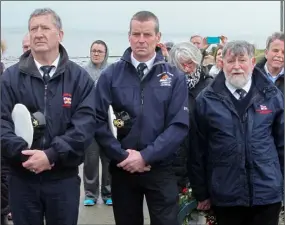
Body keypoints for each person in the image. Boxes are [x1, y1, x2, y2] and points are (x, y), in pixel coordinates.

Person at [1, 8, 96, 225]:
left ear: (60, 35)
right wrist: (25, 155)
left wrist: (52, 154)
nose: (38, 33)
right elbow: (2, 122)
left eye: (45, 27)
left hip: (63, 179)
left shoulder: (79, 79)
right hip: (21, 178)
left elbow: (85, 125)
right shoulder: (10, 78)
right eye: (33, 28)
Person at [95, 10, 189, 225]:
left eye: (147, 34)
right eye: (136, 34)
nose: (141, 40)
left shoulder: (174, 77)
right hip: (122, 168)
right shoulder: (110, 75)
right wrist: (121, 156)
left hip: (161, 168)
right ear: (129, 36)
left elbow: (178, 125)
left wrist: (146, 156)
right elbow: (98, 121)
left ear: (158, 37)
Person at [189, 40, 284, 225]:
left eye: (242, 60)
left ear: (252, 63)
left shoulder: (272, 96)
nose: (237, 67)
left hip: (266, 194)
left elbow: (282, 144)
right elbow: (197, 150)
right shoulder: (206, 100)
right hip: (226, 194)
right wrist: (201, 192)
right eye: (231, 61)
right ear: (222, 63)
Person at [168, 42, 213, 190]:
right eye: (182, 65)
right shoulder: (167, 87)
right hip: (174, 157)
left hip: (203, 155)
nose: (187, 69)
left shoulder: (210, 86)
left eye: (190, 63)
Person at [83, 40, 112, 206]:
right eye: (94, 51)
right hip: (89, 124)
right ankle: (90, 194)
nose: (96, 54)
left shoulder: (111, 71)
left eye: (99, 51)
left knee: (108, 160)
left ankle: (108, 193)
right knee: (91, 160)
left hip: (108, 123)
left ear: (105, 53)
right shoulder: (83, 71)